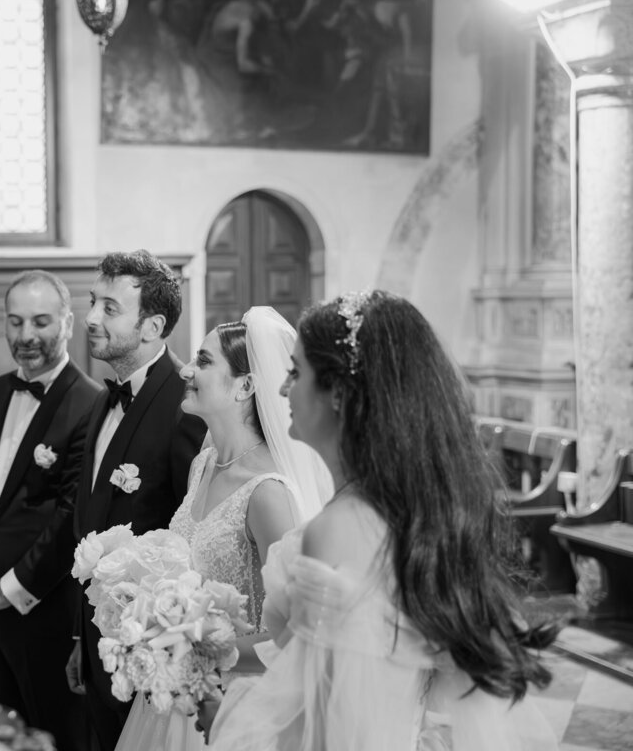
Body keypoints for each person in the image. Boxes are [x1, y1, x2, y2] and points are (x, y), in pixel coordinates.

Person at [208, 291, 560, 750]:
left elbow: (329, 728)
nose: (281, 388)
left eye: (296, 372)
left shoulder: (337, 530)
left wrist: (223, 722)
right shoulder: (409, 511)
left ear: (338, 393)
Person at [114, 308, 333, 751]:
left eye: (204, 361)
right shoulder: (203, 464)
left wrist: (191, 644)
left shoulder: (267, 493)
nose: (187, 370)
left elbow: (294, 634)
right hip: (175, 695)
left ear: (245, 386)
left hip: (234, 707)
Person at [0, 270, 103, 751]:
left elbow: (70, 516)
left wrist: (11, 590)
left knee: (56, 736)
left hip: (45, 609)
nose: (26, 336)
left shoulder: (89, 404)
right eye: (15, 322)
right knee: (3, 734)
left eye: (40, 321)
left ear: (68, 323)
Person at [67, 250, 208, 751]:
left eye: (109, 308)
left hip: (150, 655)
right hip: (98, 642)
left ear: (152, 326)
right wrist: (81, 637)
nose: (90, 318)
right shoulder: (103, 400)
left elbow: (195, 539)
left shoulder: (187, 408)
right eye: (92, 302)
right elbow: (89, 524)